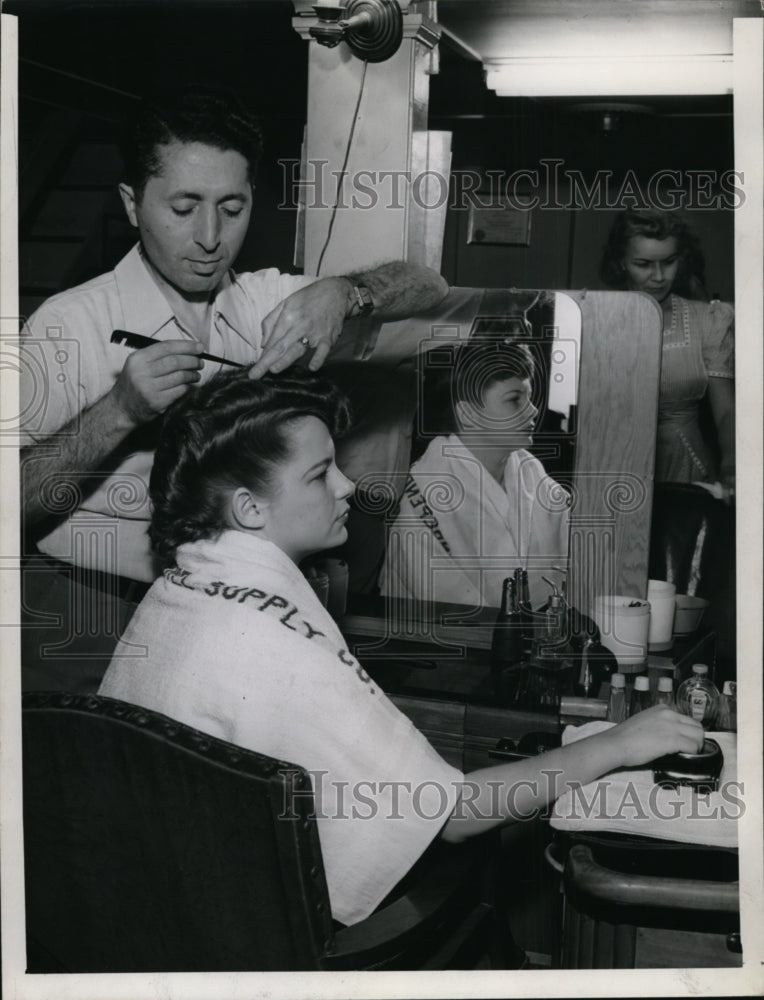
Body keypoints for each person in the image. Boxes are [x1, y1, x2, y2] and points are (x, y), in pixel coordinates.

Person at [97, 368, 704, 929]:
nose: (347, 486)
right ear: (250, 508)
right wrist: (620, 742)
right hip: (253, 931)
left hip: (163, 909)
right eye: (319, 474)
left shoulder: (177, 593)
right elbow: (456, 813)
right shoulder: (276, 640)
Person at [18, 88, 448, 691]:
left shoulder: (266, 305)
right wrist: (117, 412)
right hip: (87, 611)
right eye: (184, 206)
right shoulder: (68, 325)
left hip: (236, 609)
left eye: (232, 206)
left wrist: (347, 292)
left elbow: (428, 284)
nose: (209, 236)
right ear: (132, 203)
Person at [380, 340, 569, 610]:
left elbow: (573, 546)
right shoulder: (426, 488)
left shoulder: (528, 468)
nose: (533, 410)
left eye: (529, 397)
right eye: (514, 400)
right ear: (467, 414)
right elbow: (449, 606)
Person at [600, 208, 735, 489]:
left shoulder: (708, 320)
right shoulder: (594, 318)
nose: (659, 276)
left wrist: (732, 464)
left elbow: (725, 412)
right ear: (621, 262)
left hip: (687, 470)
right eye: (643, 264)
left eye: (669, 262)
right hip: (614, 468)